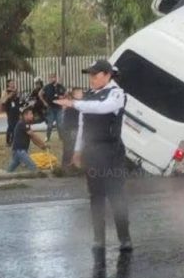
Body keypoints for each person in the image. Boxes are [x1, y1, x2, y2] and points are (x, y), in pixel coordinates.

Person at [57, 59, 132, 253]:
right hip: (93, 153)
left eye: (95, 75)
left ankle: (124, 238)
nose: (91, 79)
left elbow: (103, 108)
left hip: (111, 152)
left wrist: (75, 103)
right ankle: (99, 239)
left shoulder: (117, 94)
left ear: (107, 75)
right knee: (96, 196)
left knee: (116, 195)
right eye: (90, 75)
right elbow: (83, 125)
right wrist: (77, 151)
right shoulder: (88, 96)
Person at [59, 86, 84, 170]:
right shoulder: (73, 103)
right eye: (79, 92)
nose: (82, 94)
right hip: (70, 128)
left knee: (71, 148)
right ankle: (67, 167)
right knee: (70, 148)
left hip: (71, 128)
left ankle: (69, 166)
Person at [0, 79, 23, 147]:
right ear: (8, 84)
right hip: (10, 111)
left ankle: (14, 141)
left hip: (16, 110)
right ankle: (8, 141)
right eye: (11, 83)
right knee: (11, 126)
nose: (13, 84)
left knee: (17, 126)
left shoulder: (16, 91)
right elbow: (3, 100)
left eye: (13, 83)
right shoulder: (5, 91)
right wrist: (10, 94)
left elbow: (19, 100)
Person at [42, 73, 65, 141]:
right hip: (50, 108)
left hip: (59, 108)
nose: (52, 79)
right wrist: (44, 102)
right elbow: (40, 94)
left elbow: (66, 94)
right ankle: (47, 137)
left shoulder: (60, 86)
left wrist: (63, 97)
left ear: (56, 78)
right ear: (49, 79)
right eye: (51, 77)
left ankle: (61, 137)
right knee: (50, 124)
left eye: (54, 77)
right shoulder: (47, 87)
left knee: (59, 125)